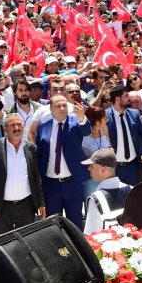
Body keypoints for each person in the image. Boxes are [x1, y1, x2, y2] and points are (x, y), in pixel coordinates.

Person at [31, 93, 90, 229]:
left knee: (75, 223)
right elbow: (40, 153)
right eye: (58, 106)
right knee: (53, 225)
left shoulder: (75, 122)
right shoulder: (43, 127)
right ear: (51, 109)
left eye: (64, 105)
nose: (62, 108)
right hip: (51, 185)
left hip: (72, 183)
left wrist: (82, 117)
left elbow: (86, 130)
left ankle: (78, 249)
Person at [0, 113, 45, 235]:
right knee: (4, 245)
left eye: (19, 125)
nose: (16, 128)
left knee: (26, 243)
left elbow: (36, 178)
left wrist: (41, 203)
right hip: (2, 207)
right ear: (5, 129)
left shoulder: (31, 148)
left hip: (26, 205)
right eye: (12, 125)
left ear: (23, 126)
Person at [103, 85, 142, 185]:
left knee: (133, 198)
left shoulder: (133, 114)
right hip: (114, 169)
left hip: (133, 167)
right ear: (117, 99)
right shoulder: (105, 116)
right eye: (126, 96)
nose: (129, 99)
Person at [81, 148, 132, 234]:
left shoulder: (96, 199)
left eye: (92, 166)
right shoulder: (132, 190)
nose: (89, 169)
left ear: (102, 170)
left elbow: (91, 235)